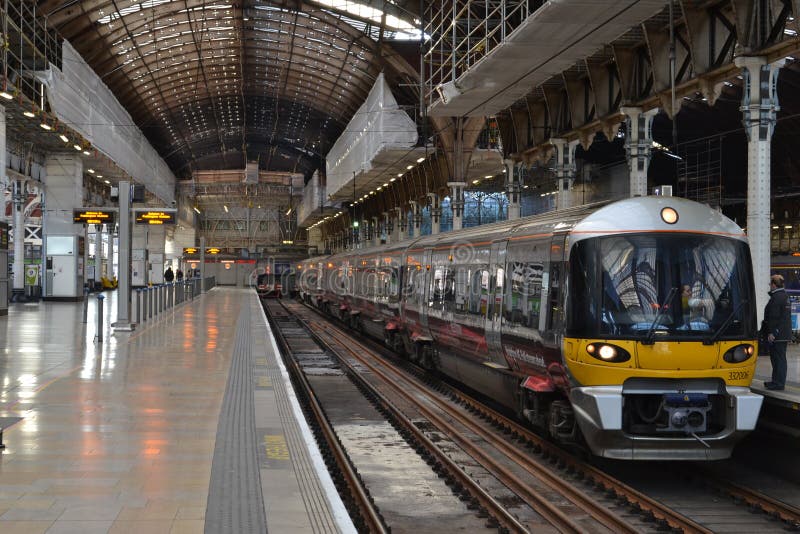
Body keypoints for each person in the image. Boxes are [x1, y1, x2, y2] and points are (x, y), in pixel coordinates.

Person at [763, 274, 792, 390]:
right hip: (783, 333)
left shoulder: (777, 297)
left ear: (774, 285)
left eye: (770, 284)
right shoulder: (784, 296)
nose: (770, 286)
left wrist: (772, 333)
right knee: (778, 358)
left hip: (778, 335)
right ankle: (776, 381)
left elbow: (775, 317)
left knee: (778, 359)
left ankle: (778, 383)